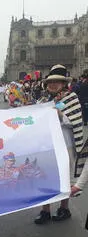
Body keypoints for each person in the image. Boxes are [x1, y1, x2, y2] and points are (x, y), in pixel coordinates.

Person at [34, 64, 86, 224]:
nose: (53, 84)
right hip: (47, 145)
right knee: (45, 176)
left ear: (64, 83)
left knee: (64, 177)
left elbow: (75, 122)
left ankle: (64, 208)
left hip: (65, 144)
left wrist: (59, 113)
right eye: (50, 82)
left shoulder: (71, 98)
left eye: (57, 81)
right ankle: (45, 210)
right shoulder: (43, 100)